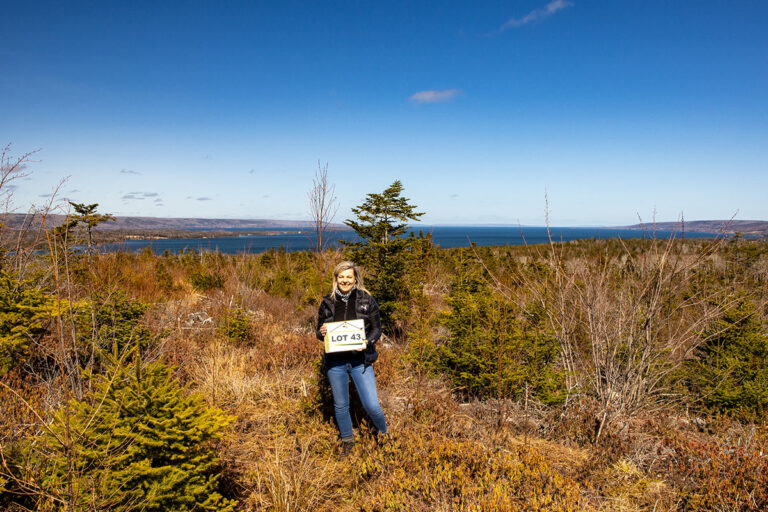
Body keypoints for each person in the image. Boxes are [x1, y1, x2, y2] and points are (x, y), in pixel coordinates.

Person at [316, 261, 388, 458]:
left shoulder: (367, 299)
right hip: (335, 363)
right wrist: (322, 332)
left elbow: (376, 328)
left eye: (348, 276)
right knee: (341, 405)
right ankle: (347, 442)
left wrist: (367, 341)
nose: (345, 280)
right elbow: (319, 331)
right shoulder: (327, 302)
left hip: (360, 362)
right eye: (341, 277)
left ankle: (384, 437)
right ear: (336, 279)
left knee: (371, 405)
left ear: (355, 278)